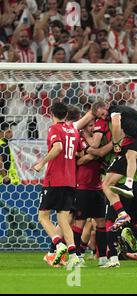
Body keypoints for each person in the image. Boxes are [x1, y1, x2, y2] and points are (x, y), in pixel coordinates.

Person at [91, 102, 137, 230]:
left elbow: (116, 131)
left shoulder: (115, 112)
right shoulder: (128, 118)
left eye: (102, 114)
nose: (103, 118)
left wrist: (115, 143)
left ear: (105, 107)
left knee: (107, 183)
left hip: (130, 152)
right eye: (100, 117)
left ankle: (123, 211)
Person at [34, 102, 81, 267]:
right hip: (70, 181)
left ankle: (59, 245)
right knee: (63, 219)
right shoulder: (74, 131)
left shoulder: (54, 129)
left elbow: (58, 147)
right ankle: (74, 256)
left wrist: (41, 162)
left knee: (43, 216)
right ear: (66, 115)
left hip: (55, 179)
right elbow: (80, 152)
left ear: (51, 114)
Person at [72, 120, 108, 266]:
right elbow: (78, 160)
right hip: (82, 187)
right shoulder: (78, 140)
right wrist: (93, 155)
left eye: (94, 126)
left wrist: (88, 156)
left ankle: (102, 258)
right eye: (90, 126)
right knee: (79, 222)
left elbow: (93, 156)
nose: (93, 128)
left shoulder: (98, 140)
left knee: (101, 223)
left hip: (97, 188)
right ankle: (77, 257)